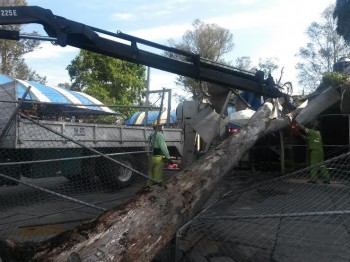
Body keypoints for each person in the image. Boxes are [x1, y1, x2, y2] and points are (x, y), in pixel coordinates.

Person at [147, 120, 172, 186]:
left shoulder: (151, 135)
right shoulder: (159, 135)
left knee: (150, 174)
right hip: (157, 157)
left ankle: (148, 187)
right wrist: (168, 157)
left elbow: (148, 145)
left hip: (150, 157)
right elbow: (163, 147)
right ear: (157, 127)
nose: (161, 127)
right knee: (157, 175)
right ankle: (155, 188)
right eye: (160, 126)